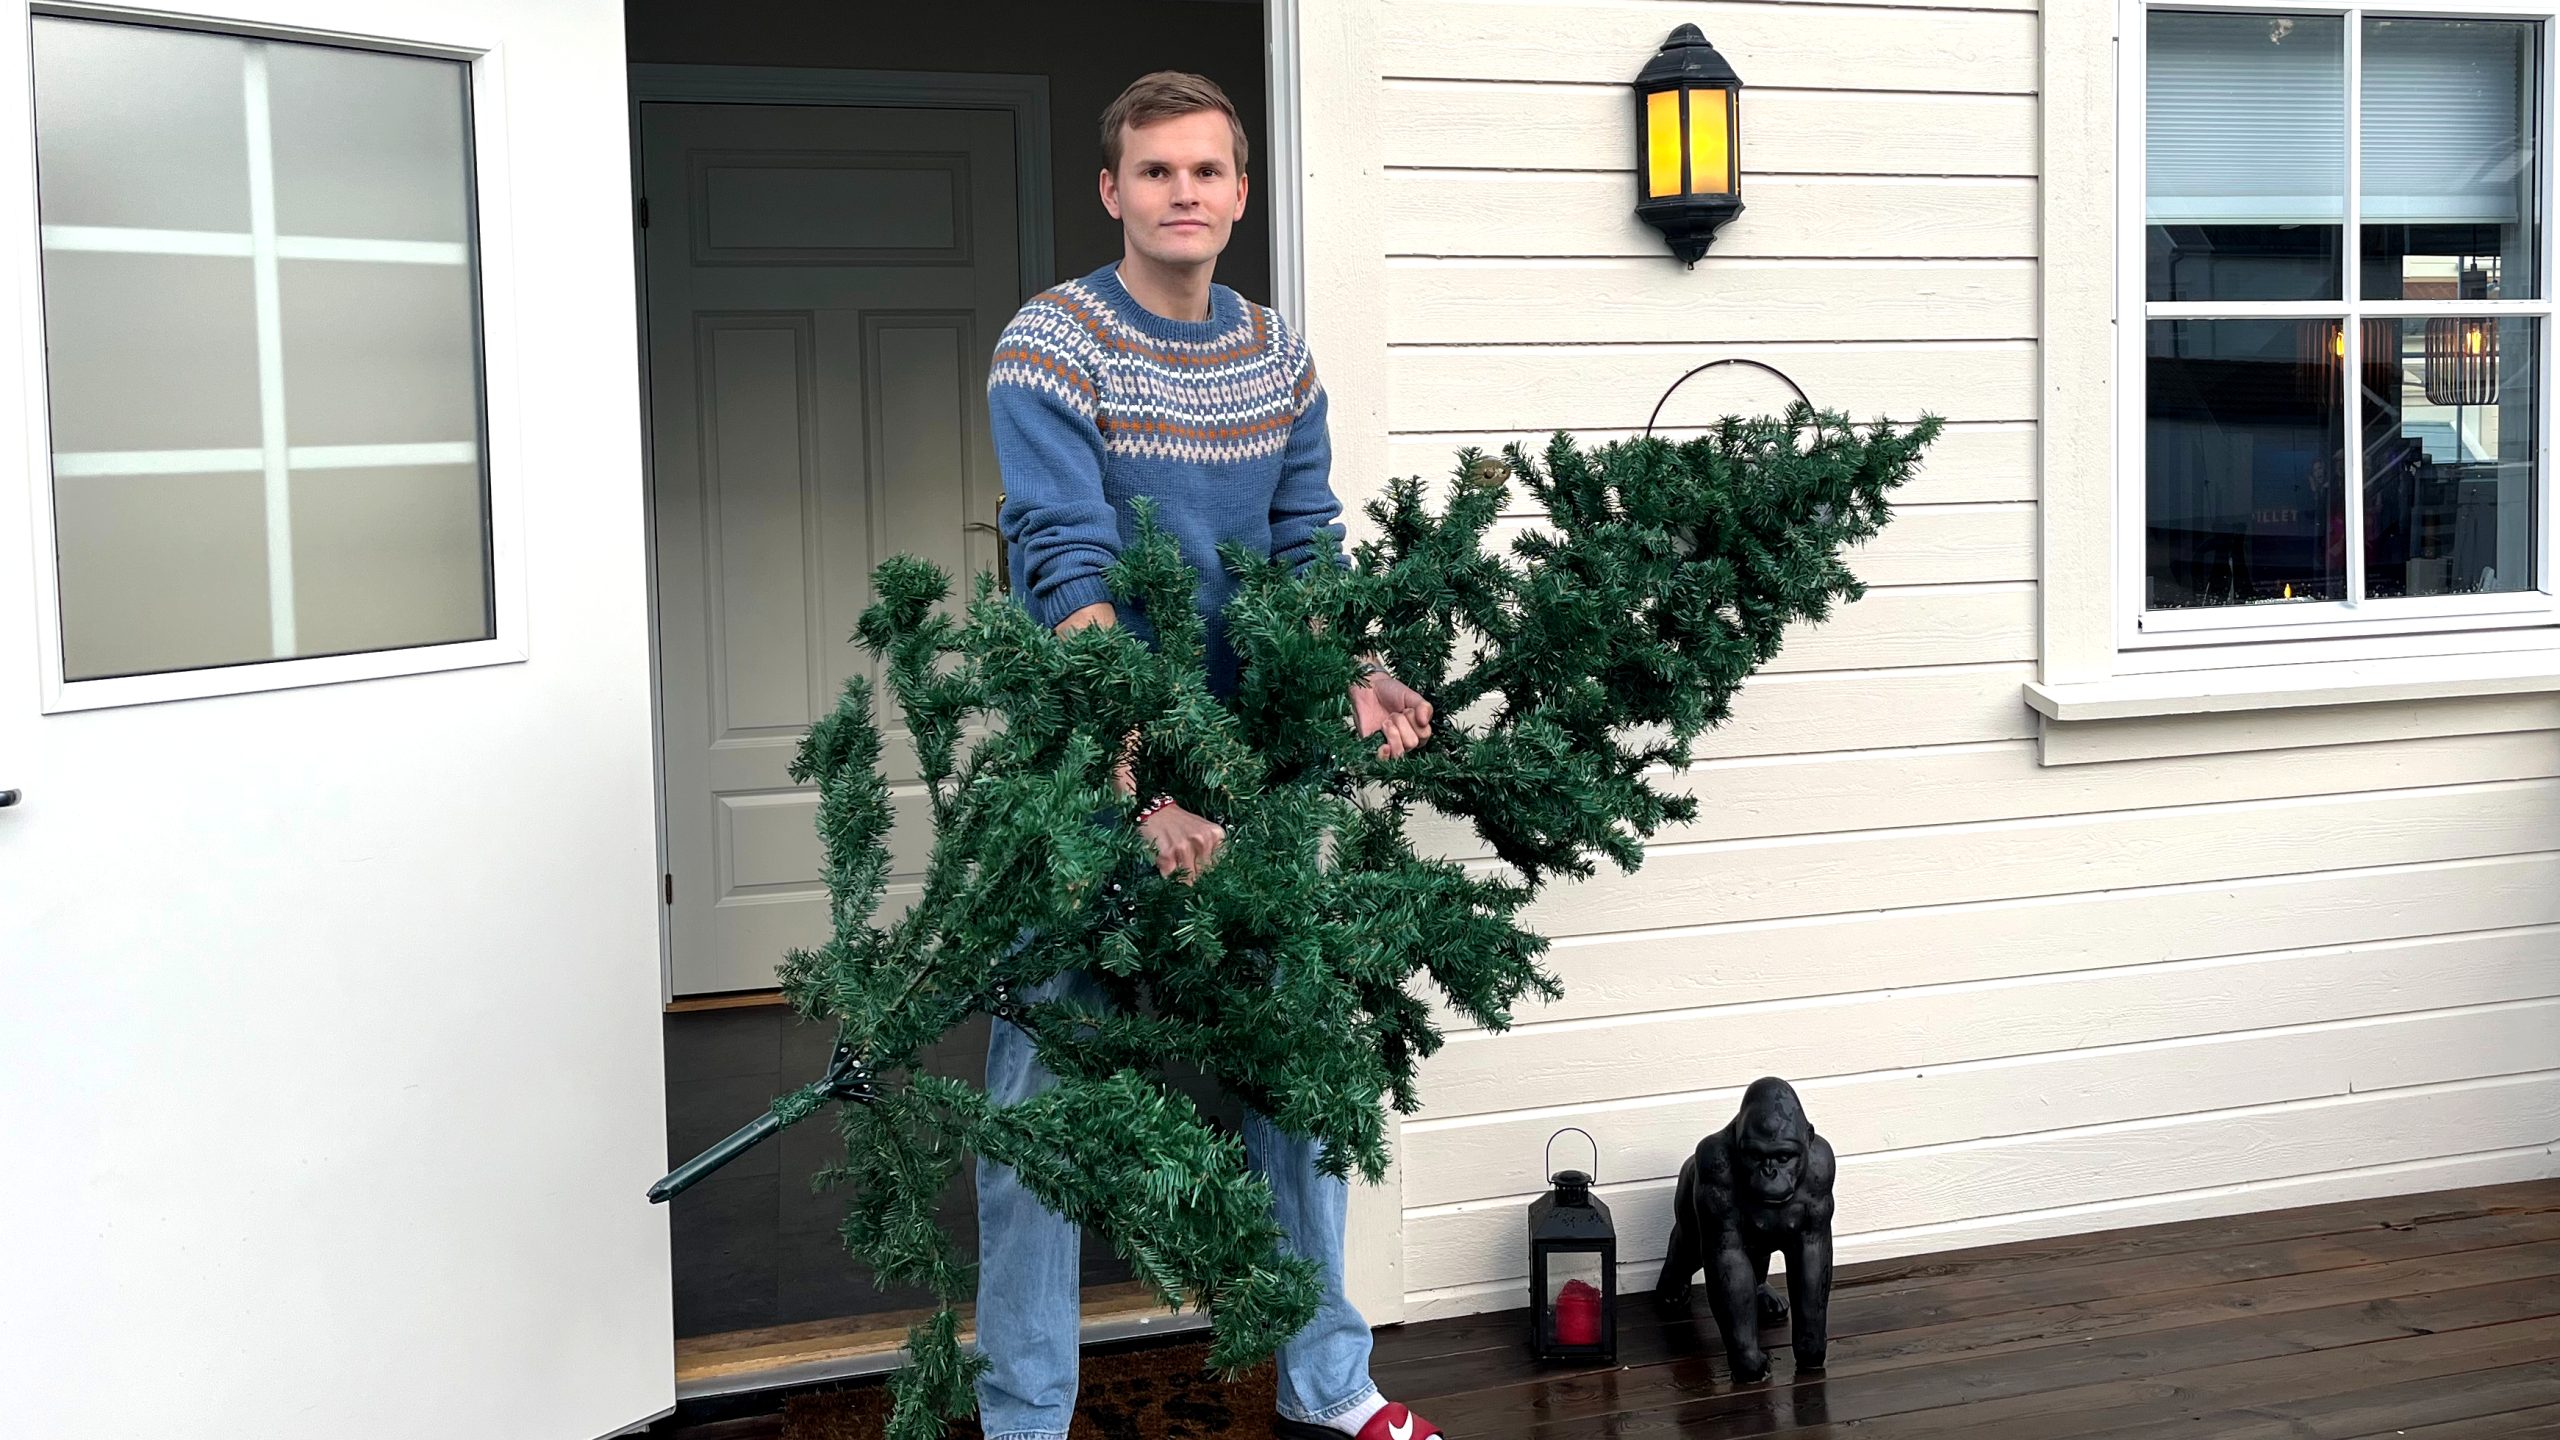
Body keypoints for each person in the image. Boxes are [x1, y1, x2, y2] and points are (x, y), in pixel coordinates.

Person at [976, 70, 1446, 1440]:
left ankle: (1329, 1383)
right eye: (1157, 172)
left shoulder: (1276, 354)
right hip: (1096, 777)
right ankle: (1023, 1417)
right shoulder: (1052, 347)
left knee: (1295, 1079)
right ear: (1112, 191)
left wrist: (1354, 667)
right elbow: (1063, 566)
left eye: (1208, 172)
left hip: (1257, 777)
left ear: (1240, 194)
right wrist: (1140, 775)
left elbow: (1305, 547)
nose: (1185, 193)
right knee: (1044, 1106)